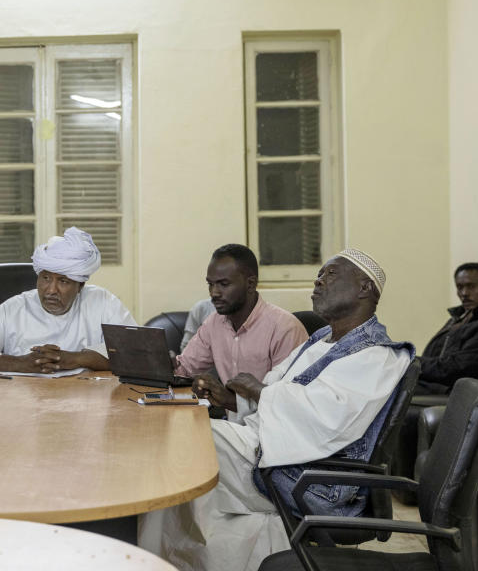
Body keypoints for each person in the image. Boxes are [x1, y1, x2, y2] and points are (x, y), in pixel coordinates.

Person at [139, 249, 414, 571]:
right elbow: (279, 389)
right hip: (273, 449)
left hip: (308, 478)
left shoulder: (375, 355)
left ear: (365, 288)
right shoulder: (323, 339)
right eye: (319, 276)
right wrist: (232, 400)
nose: (318, 282)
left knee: (182, 438)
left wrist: (256, 391)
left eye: (330, 275)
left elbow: (326, 418)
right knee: (175, 450)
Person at [0, 226, 137, 373]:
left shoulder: (102, 302)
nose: (51, 290)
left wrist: (77, 359)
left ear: (80, 286)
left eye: (63, 281)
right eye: (45, 278)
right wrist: (18, 363)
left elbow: (138, 354)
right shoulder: (16, 308)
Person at [175, 244, 308, 387]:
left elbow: (287, 397)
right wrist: (164, 365)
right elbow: (185, 369)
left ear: (250, 284)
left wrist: (229, 400)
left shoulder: (285, 328)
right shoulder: (214, 323)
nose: (214, 293)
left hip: (269, 410)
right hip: (228, 409)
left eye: (224, 284)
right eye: (210, 284)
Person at [416, 262, 478, 394]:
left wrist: (409, 363)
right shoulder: (462, 315)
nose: (464, 293)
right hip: (431, 383)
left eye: (471, 286)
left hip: (451, 393)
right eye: (459, 287)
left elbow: (455, 369)